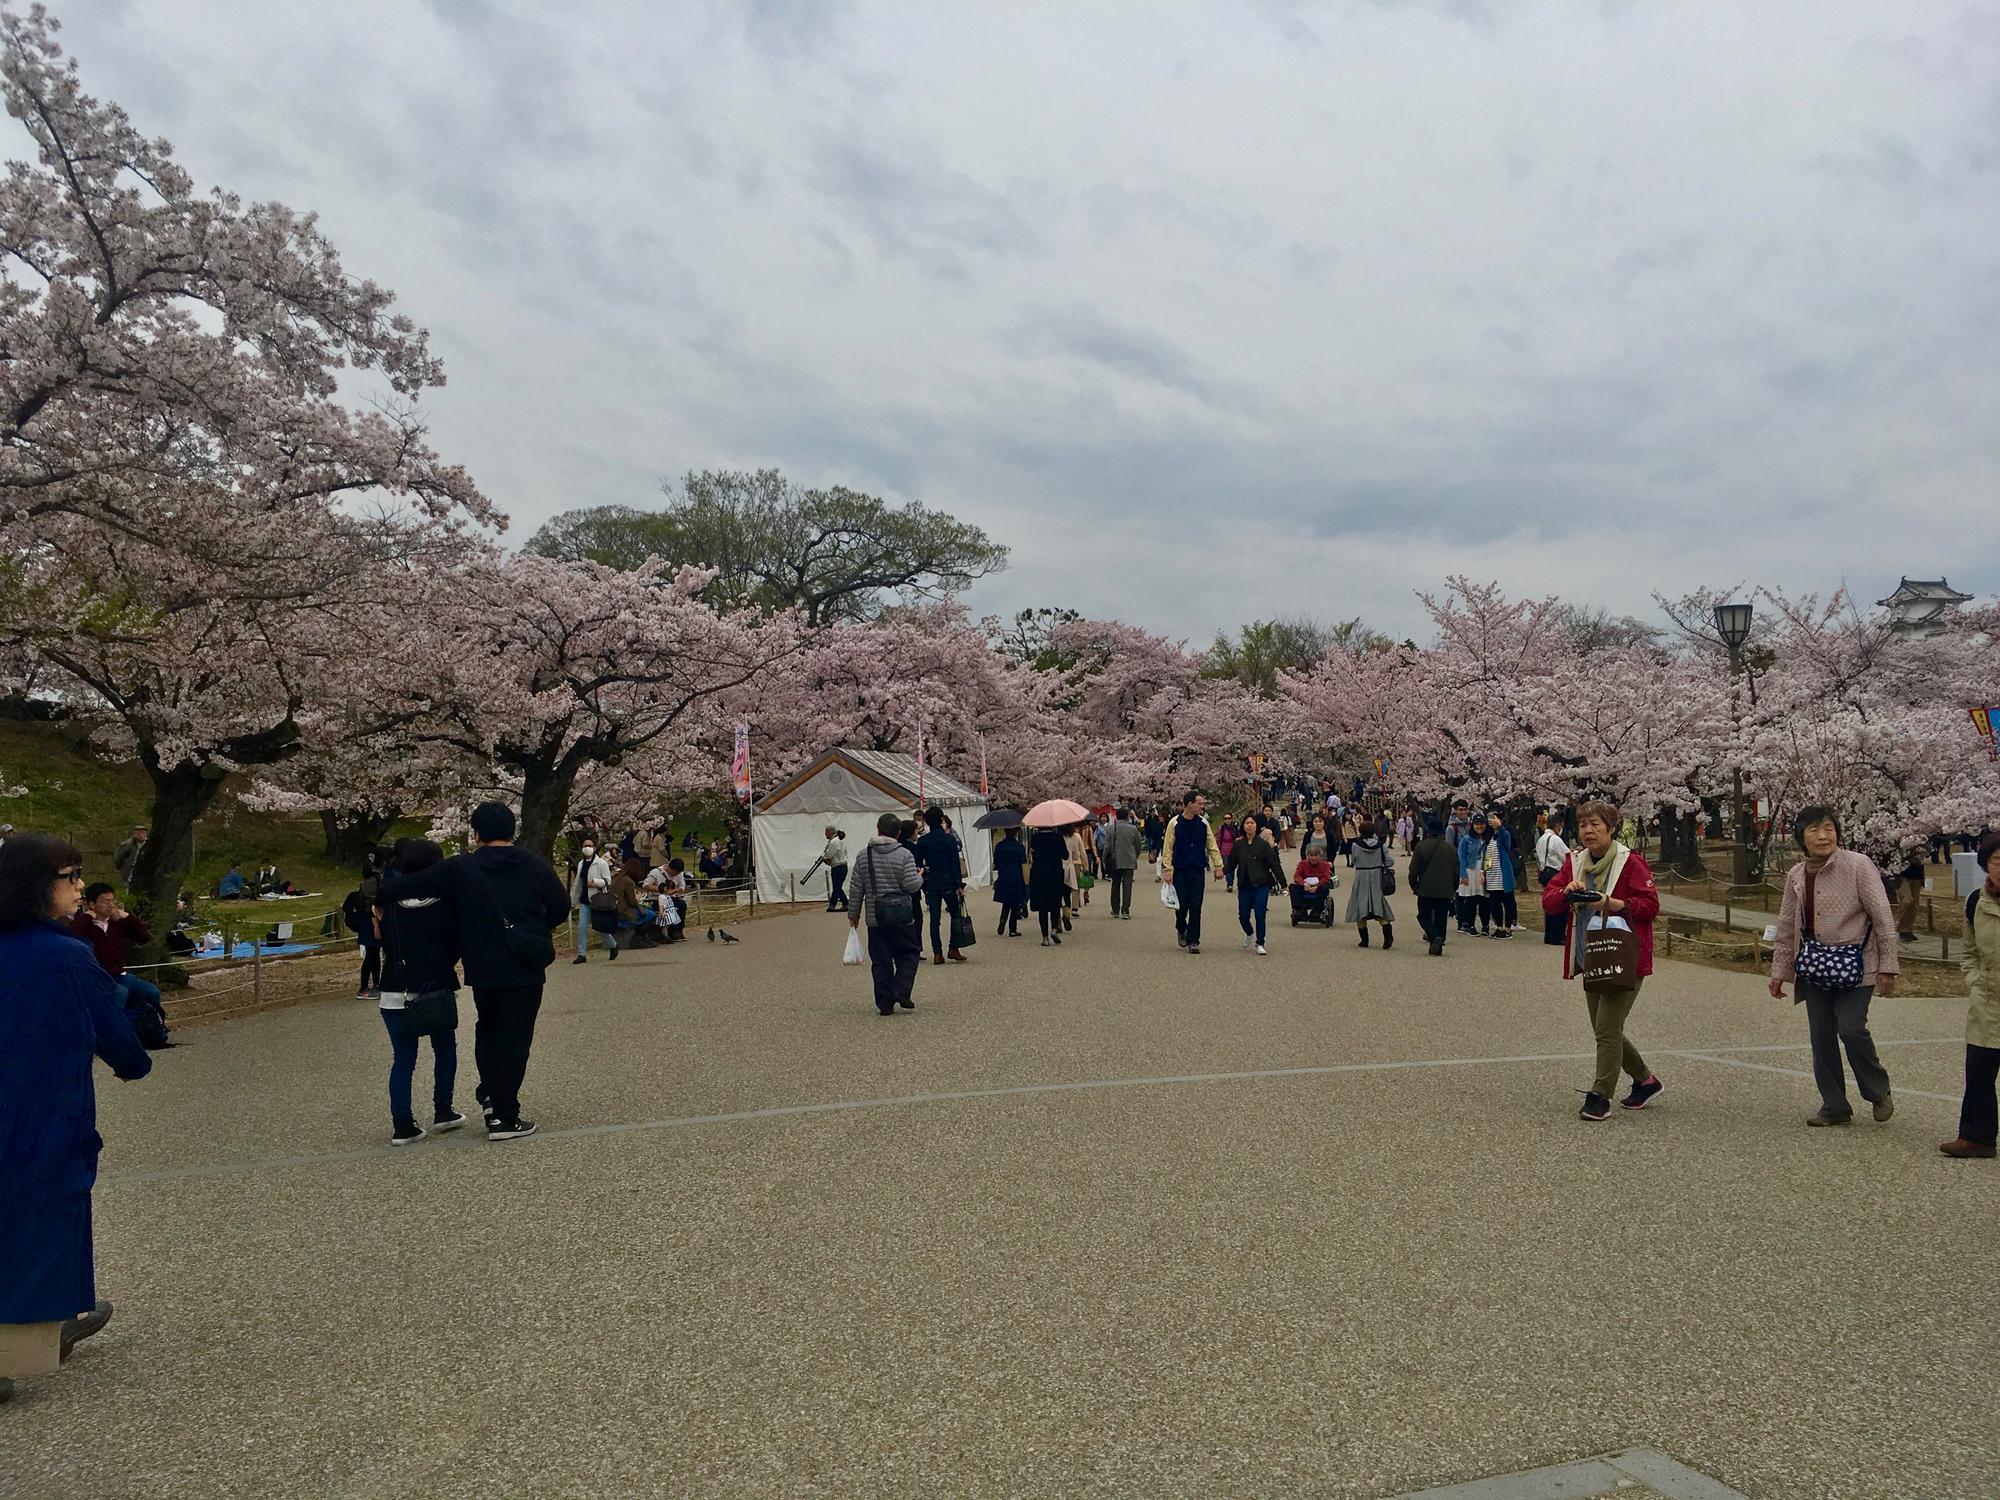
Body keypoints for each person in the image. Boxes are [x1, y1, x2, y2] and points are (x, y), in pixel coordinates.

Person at [0, 833, 152, 1393]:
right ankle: (19, 1347)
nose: (80, 887)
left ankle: (61, 1316)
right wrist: (134, 1064)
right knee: (42, 1222)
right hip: (43, 1113)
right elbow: (115, 1035)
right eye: (71, 876)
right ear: (39, 885)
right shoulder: (65, 955)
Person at [377, 802, 569, 1142]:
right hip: (523, 966)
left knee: (489, 1030)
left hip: (482, 966)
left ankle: (492, 1097)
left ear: (476, 833)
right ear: (512, 830)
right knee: (516, 1037)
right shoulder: (533, 864)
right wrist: (531, 929)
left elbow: (397, 889)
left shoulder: (460, 868)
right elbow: (560, 905)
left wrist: (383, 900)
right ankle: (505, 1117)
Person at [1768, 806, 1899, 1129]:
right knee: (1821, 1036)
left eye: (1828, 828)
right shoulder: (1797, 875)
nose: (1823, 835)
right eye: (1814, 830)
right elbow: (1787, 925)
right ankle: (1835, 1105)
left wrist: (1888, 965)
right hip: (1814, 965)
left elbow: (1882, 915)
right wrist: (1779, 972)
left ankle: (1877, 1089)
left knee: (1851, 1028)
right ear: (1801, 837)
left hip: (1857, 962)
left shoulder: (1858, 865)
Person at [1543, 801, 1662, 1123]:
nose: (1588, 830)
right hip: (1591, 955)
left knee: (1607, 1029)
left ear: (1611, 828)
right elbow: (1549, 902)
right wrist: (1566, 891)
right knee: (1605, 1028)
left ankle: (1600, 1095)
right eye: (1583, 825)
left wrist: (1612, 903)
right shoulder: (1574, 862)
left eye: (1596, 824)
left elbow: (1650, 906)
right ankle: (1646, 1081)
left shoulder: (1630, 863)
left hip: (1625, 956)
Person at [372, 839, 465, 1146]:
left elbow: (380, 940)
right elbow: (454, 945)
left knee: (403, 1059)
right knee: (445, 1048)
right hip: (433, 987)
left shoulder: (387, 904)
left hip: (394, 988)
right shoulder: (445, 903)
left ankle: (403, 1124)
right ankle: (443, 1109)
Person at [1941, 830, 2000, 1159]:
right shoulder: (1976, 901)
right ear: (1986, 864)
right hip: (1987, 1001)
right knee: (1978, 1073)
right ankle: (1977, 1137)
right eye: (1997, 860)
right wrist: (1974, 981)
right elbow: (1968, 951)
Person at [69, 884, 171, 1050]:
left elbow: (144, 937)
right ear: (92, 904)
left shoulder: (117, 924)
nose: (110, 905)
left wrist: (126, 916)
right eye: (105, 901)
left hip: (119, 974)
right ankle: (112, 1038)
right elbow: (72, 937)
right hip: (97, 977)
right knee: (119, 994)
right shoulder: (83, 924)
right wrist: (88, 917)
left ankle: (148, 1028)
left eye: (112, 900)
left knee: (151, 991)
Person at [849, 811, 924, 1013]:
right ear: (898, 833)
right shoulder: (904, 855)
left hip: (876, 918)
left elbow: (856, 888)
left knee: (881, 961)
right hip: (901, 918)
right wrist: (920, 876)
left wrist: (853, 914)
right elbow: (911, 885)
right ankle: (901, 989)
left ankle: (884, 1003)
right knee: (909, 953)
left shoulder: (864, 856)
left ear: (878, 830)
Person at [1163, 791, 1221, 955]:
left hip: (1197, 869)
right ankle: (1181, 927)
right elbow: (1167, 847)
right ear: (1190, 804)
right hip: (1180, 869)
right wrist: (1167, 869)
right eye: (1200, 804)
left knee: (1196, 905)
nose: (1202, 807)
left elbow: (1211, 844)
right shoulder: (1174, 823)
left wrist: (1218, 865)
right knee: (1181, 905)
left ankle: (1193, 940)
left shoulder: (1203, 823)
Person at [914, 808, 968, 965]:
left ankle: (937, 953)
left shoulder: (923, 841)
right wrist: (959, 884)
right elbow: (954, 863)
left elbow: (918, 863)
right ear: (941, 820)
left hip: (931, 883)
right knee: (955, 915)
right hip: (949, 882)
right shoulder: (949, 839)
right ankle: (954, 947)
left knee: (934, 919)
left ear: (926, 822)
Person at [1233, 814, 1284, 955]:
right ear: (1243, 826)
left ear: (1257, 826)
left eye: (1252, 823)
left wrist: (1283, 883)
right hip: (1245, 883)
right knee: (1243, 915)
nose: (1250, 825)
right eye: (1247, 823)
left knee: (1260, 914)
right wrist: (1222, 871)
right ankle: (1249, 932)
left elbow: (1274, 864)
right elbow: (1232, 862)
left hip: (1261, 883)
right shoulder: (1238, 844)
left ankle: (1260, 942)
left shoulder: (1263, 844)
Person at [1408, 818, 1459, 956]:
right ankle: (1439, 941)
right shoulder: (1451, 849)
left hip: (1426, 888)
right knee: (1441, 916)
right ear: (1442, 833)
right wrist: (1453, 888)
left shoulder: (1421, 846)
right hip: (1445, 889)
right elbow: (1456, 872)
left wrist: (1413, 884)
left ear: (1428, 832)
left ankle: (1434, 936)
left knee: (1424, 915)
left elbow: (1413, 869)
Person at [1345, 818, 1395, 949]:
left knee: (1360, 905)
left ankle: (1364, 940)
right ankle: (1387, 935)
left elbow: (1354, 860)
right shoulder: (1380, 845)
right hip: (1376, 875)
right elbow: (1390, 861)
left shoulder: (1356, 845)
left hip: (1361, 875)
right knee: (1378, 905)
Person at [1028, 823, 1072, 946]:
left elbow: (1032, 854)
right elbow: (1065, 855)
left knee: (1042, 907)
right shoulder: (1057, 837)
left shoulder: (1035, 838)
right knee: (1055, 903)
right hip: (1055, 873)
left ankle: (1045, 937)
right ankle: (1054, 930)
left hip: (1039, 874)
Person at [569, 838, 611, 965]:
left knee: (599, 927)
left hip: (597, 899)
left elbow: (607, 881)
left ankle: (613, 945)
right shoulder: (581, 863)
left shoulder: (602, 863)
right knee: (582, 927)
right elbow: (578, 883)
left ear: (594, 847)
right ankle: (581, 954)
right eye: (585, 845)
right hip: (584, 899)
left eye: (590, 845)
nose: (587, 847)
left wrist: (595, 882)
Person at [343, 878, 383, 998]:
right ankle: (363, 988)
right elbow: (370, 908)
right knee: (370, 956)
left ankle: (376, 984)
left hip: (369, 924)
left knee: (375, 955)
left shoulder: (370, 883)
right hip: (369, 925)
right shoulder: (372, 884)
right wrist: (376, 926)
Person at [1535, 815, 1571, 947]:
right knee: (1559, 906)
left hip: (1545, 874)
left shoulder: (1541, 839)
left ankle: (1549, 935)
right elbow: (1567, 857)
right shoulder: (1555, 839)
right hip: (1556, 874)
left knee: (1549, 905)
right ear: (1557, 826)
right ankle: (1558, 936)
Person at [600, 857, 644, 960]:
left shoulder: (616, 877)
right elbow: (632, 903)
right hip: (623, 911)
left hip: (612, 909)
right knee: (649, 914)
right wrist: (638, 898)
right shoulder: (629, 882)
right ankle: (638, 938)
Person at [1102, 807, 1141, 920]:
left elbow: (1107, 846)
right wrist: (1135, 856)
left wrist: (1104, 858)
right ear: (1127, 816)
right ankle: (1125, 910)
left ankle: (1115, 910)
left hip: (1115, 860)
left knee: (1115, 885)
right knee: (1127, 886)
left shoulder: (1110, 828)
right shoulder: (1133, 829)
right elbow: (1138, 845)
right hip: (1129, 860)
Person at [992, 826, 1028, 937]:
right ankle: (1012, 929)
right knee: (1015, 903)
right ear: (1016, 833)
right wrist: (1026, 881)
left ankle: (1003, 919)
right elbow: (1023, 864)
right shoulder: (1019, 847)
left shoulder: (999, 846)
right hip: (1016, 876)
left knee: (1006, 901)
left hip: (1003, 875)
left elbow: (996, 863)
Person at [1487, 811, 1519, 934]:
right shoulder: (1488, 837)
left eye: (1494, 818)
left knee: (1508, 902)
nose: (1492, 821)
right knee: (1495, 903)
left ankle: (1508, 927)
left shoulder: (1504, 835)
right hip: (1491, 875)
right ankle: (1499, 926)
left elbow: (1505, 836)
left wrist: (1499, 826)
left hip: (1503, 875)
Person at [1456, 814, 1488, 935]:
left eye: (1482, 824)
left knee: (1484, 898)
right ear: (1472, 825)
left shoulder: (1488, 839)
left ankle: (1485, 926)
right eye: (1477, 824)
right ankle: (1470, 925)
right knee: (1471, 899)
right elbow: (1461, 857)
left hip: (1484, 871)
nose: (1479, 826)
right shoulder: (1466, 840)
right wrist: (1463, 874)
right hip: (1471, 870)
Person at [1893, 851, 1924, 943]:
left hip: (1917, 874)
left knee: (1914, 904)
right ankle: (1900, 927)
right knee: (1906, 900)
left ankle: (1907, 928)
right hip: (1902, 875)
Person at [821, 826, 849, 913]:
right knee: (838, 887)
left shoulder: (834, 842)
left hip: (837, 867)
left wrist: (823, 858)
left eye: (826, 832)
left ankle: (837, 904)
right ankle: (840, 904)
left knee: (837, 887)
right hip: (843, 866)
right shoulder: (840, 841)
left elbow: (828, 855)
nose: (825, 834)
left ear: (830, 832)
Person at [1216, 818, 1238, 892]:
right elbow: (1219, 839)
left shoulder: (1234, 828)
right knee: (1227, 866)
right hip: (1224, 849)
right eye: (1225, 818)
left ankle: (1230, 882)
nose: (1227, 820)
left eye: (1229, 818)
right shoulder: (1222, 828)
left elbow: (1238, 836)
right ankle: (1229, 884)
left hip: (1233, 848)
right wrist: (1218, 849)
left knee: (1232, 867)